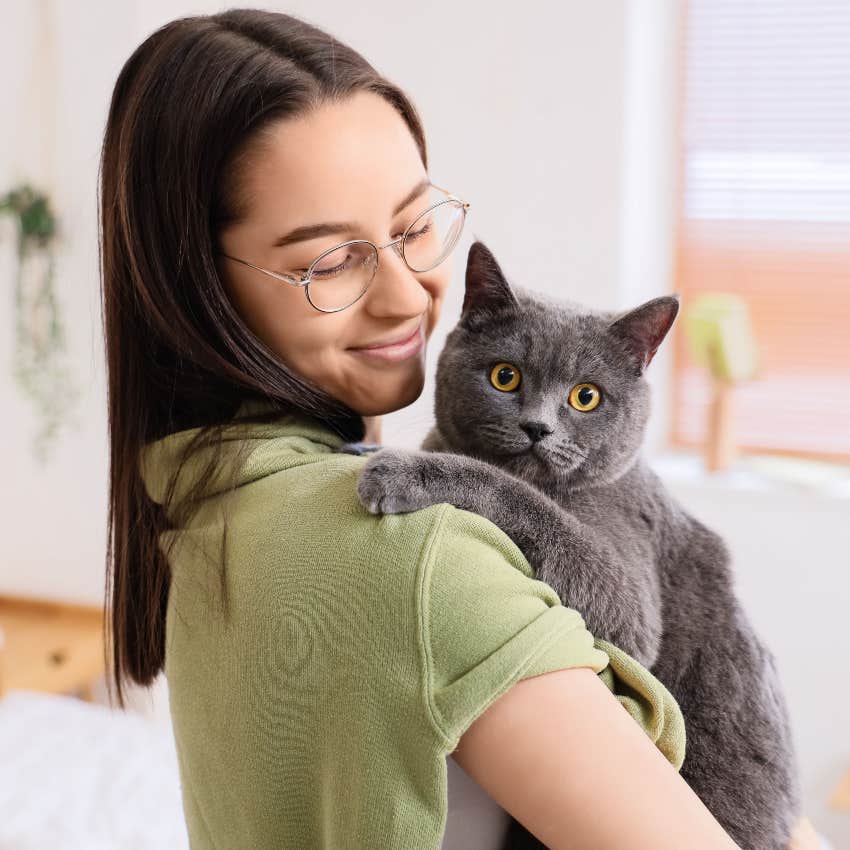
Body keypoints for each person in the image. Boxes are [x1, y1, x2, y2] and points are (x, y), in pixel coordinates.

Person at [100, 8, 745, 849]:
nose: (409, 296)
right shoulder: (418, 550)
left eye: (413, 229)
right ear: (198, 286)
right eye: (331, 260)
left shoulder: (197, 498)